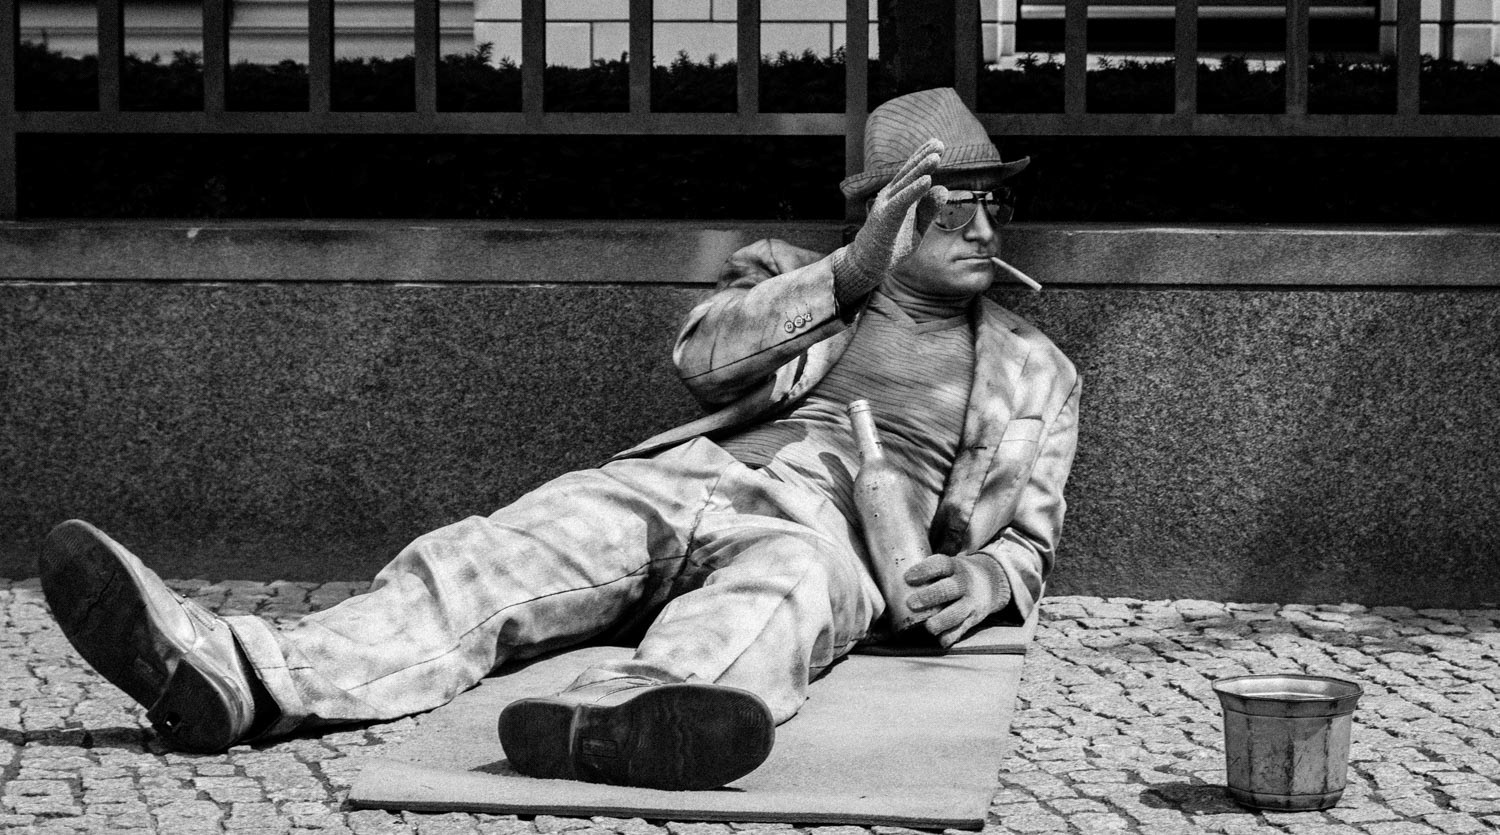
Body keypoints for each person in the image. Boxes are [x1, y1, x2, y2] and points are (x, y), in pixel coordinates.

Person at [38, 87, 1080, 792]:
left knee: (782, 597)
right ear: (891, 213)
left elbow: (1028, 544)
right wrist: (849, 273)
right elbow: (703, 358)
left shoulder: (1036, 371)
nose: (988, 229)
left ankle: (628, 718)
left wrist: (981, 579)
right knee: (489, 554)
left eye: (996, 204)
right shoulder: (790, 275)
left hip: (831, 529)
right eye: (955, 208)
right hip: (689, 478)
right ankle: (240, 675)